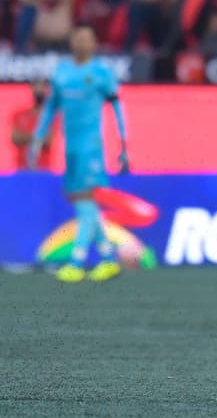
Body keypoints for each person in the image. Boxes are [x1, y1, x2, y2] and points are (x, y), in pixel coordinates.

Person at [29, 25, 129, 283]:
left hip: (90, 148)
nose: (82, 43)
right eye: (78, 38)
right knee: (84, 203)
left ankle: (77, 261)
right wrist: (37, 139)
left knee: (85, 202)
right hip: (70, 147)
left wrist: (124, 143)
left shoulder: (101, 73)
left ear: (95, 43)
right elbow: (50, 108)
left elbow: (117, 107)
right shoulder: (62, 73)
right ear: (71, 42)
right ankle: (108, 259)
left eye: (87, 38)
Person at [10, 79, 53, 171]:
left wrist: (25, 137)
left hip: (44, 170)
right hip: (22, 169)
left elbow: (47, 142)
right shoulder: (20, 115)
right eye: (36, 85)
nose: (39, 89)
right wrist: (38, 138)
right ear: (32, 87)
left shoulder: (51, 116)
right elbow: (15, 138)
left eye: (43, 86)